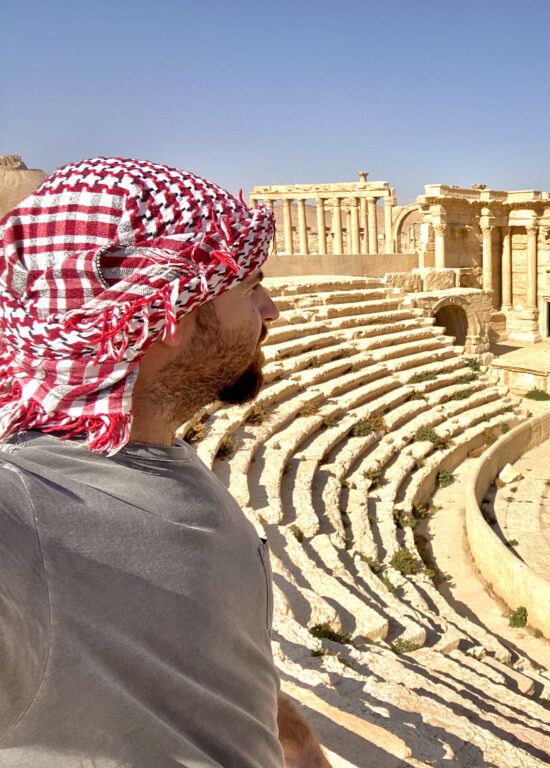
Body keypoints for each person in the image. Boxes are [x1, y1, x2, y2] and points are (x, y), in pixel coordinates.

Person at [0, 157, 330, 767]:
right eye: (250, 283)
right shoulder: (22, 509)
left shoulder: (154, 453)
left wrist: (293, 738)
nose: (272, 309)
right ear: (169, 309)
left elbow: (207, 648)